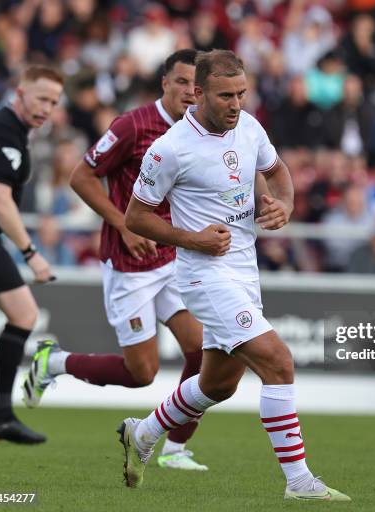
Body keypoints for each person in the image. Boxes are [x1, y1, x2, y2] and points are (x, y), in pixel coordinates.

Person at [122, 50, 350, 501]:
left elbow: (276, 171)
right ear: (199, 92)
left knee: (218, 385)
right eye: (226, 95)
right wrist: (192, 239)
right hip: (203, 274)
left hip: (245, 269)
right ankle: (299, 481)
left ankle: (142, 434)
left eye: (242, 93)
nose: (236, 103)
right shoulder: (169, 148)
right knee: (278, 361)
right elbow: (135, 218)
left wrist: (282, 203)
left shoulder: (249, 125)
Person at [20, 50, 207, 470]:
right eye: (181, 82)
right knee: (142, 373)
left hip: (172, 260)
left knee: (202, 350)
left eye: (197, 86)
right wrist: (124, 224)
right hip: (130, 264)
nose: (189, 93)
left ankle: (176, 449)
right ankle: (55, 362)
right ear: (165, 83)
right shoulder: (133, 125)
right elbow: (81, 177)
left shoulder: (200, 130)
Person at [0, 66, 63, 444]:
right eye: (41, 98)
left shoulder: (15, 132)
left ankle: (1, 417)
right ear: (20, 93)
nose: (46, 108)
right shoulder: (2, 130)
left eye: (53, 102)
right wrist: (31, 252)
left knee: (25, 314)